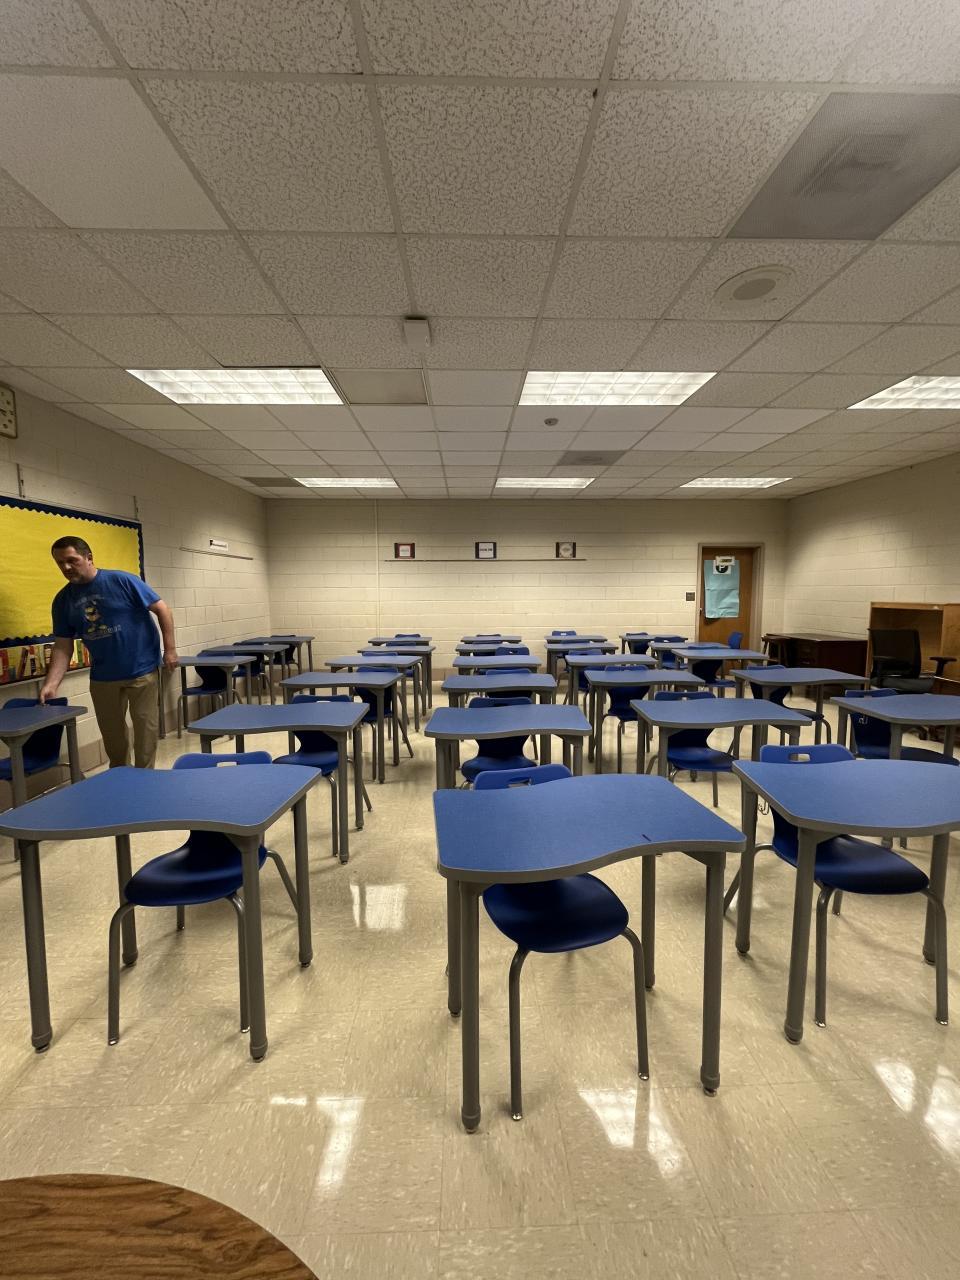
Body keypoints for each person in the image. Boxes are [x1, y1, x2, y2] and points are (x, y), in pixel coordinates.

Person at [39, 536, 178, 769]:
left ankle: (146, 779)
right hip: (103, 676)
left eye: (72, 560)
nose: (66, 567)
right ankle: (121, 779)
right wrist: (51, 684)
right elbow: (63, 645)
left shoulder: (121, 581)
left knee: (145, 731)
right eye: (60, 563)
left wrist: (170, 650)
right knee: (113, 739)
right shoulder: (63, 601)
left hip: (142, 669)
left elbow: (162, 609)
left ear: (89, 558)